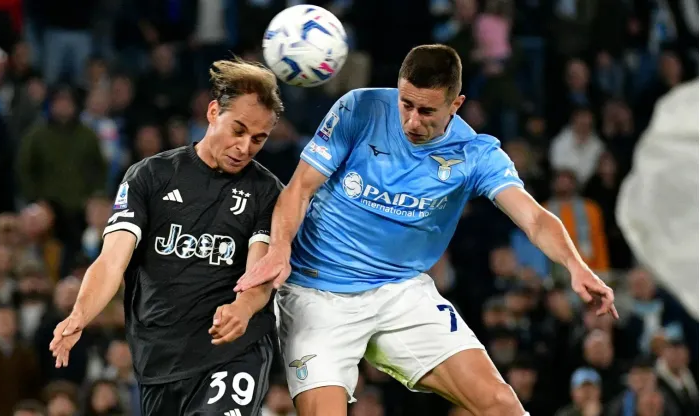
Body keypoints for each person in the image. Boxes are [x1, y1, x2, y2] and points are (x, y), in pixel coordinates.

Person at [234, 44, 618, 416]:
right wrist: (280, 249)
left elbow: (534, 218)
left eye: (427, 111)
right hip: (316, 292)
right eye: (406, 104)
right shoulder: (360, 108)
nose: (412, 121)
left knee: (502, 406)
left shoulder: (475, 153)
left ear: (456, 104)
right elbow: (299, 189)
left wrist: (576, 265)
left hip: (400, 291)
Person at [49, 59, 285, 416]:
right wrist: (80, 314)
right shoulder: (150, 176)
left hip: (233, 353)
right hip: (159, 358)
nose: (245, 146)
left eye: (258, 139)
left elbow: (261, 271)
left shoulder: (266, 191)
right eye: (238, 130)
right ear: (212, 112)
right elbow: (112, 260)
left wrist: (243, 307)